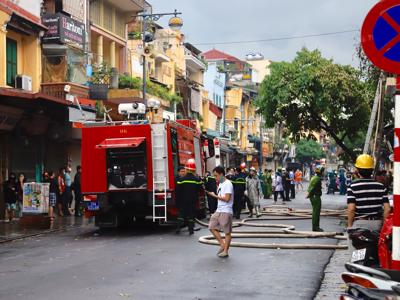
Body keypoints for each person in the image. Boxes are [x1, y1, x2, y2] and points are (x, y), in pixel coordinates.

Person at [347, 154, 390, 232]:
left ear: (357, 170)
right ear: (372, 170)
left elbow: (351, 209)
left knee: (353, 243)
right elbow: (387, 209)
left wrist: (350, 226)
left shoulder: (352, 186)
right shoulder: (381, 187)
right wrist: (383, 225)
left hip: (359, 224)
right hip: (377, 224)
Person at [207, 166, 234, 258]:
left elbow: (227, 198)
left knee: (227, 232)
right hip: (219, 209)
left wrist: (214, 196)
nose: (215, 178)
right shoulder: (221, 184)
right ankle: (222, 245)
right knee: (211, 226)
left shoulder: (228, 184)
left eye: (216, 176)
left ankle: (226, 251)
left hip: (226, 210)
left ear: (222, 174)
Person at [175, 159, 203, 235]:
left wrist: (178, 200)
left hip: (183, 200)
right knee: (191, 215)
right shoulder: (196, 180)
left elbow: (178, 191)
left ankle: (178, 229)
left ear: (186, 169)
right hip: (193, 200)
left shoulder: (181, 180)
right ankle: (191, 230)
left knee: (181, 214)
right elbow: (200, 190)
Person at [307, 165, 324, 232]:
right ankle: (315, 227)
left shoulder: (314, 177)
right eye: (322, 171)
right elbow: (312, 188)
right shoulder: (317, 179)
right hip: (315, 197)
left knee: (315, 212)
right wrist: (309, 194)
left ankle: (315, 226)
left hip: (313, 196)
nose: (323, 172)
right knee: (316, 212)